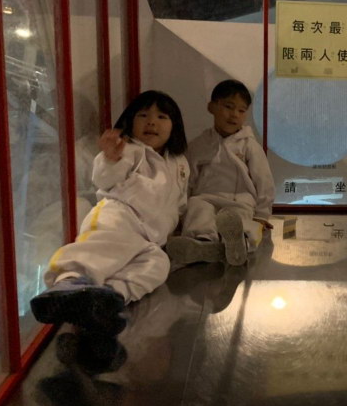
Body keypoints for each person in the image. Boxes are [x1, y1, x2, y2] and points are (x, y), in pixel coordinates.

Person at [30, 90, 189, 335]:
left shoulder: (179, 163)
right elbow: (104, 179)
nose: (151, 122)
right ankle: (68, 280)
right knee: (100, 246)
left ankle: (110, 297)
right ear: (129, 122)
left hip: (149, 238)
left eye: (162, 117)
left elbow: (179, 202)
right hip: (119, 216)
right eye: (143, 115)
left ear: (174, 126)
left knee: (158, 265)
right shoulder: (129, 150)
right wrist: (110, 158)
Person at [170, 79, 274, 268]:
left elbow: (263, 180)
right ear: (212, 107)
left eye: (241, 110)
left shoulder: (249, 145)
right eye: (228, 107)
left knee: (242, 222)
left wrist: (262, 214)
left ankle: (240, 243)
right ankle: (202, 242)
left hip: (239, 200)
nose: (234, 114)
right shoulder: (200, 144)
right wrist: (180, 213)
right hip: (205, 197)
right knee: (197, 208)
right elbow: (187, 180)